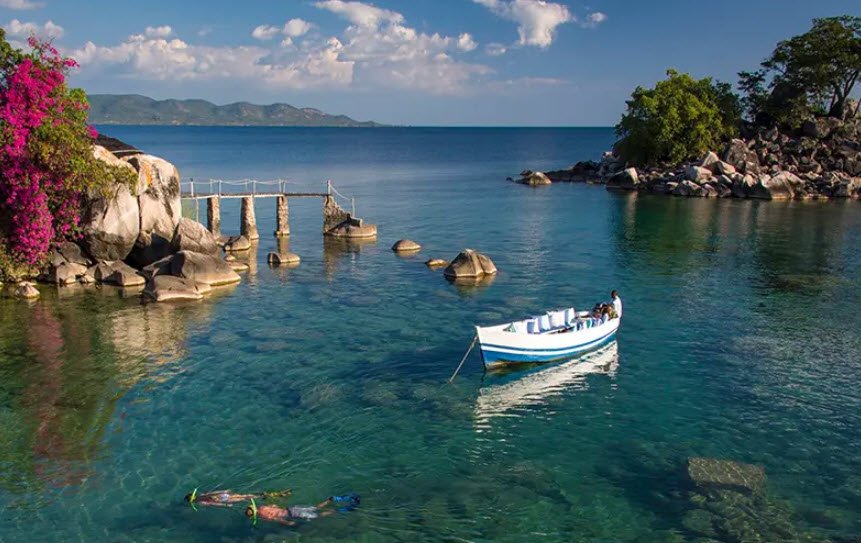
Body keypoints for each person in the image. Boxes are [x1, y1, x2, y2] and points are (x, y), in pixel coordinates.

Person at [246, 494, 360, 526]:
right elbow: (275, 506)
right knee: (315, 508)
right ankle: (330, 500)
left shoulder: (265, 516)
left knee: (318, 516)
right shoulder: (263, 507)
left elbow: (278, 518)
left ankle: (338, 510)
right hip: (292, 508)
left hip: (294, 514)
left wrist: (290, 523)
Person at [184, 488, 291, 508]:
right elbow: (212, 493)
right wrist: (224, 491)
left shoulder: (200, 502)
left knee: (245, 498)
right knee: (245, 495)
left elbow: (213, 503)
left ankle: (270, 496)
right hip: (224, 496)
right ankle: (273, 494)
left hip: (224, 499)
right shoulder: (202, 494)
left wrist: (225, 505)